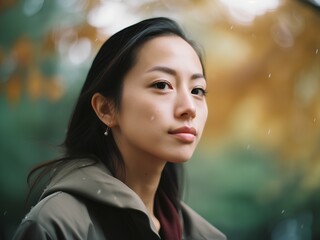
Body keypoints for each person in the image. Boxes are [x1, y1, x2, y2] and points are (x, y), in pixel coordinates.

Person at [13, 17, 226, 240]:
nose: (189, 108)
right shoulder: (57, 226)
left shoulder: (205, 236)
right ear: (106, 109)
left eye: (198, 90)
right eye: (162, 85)